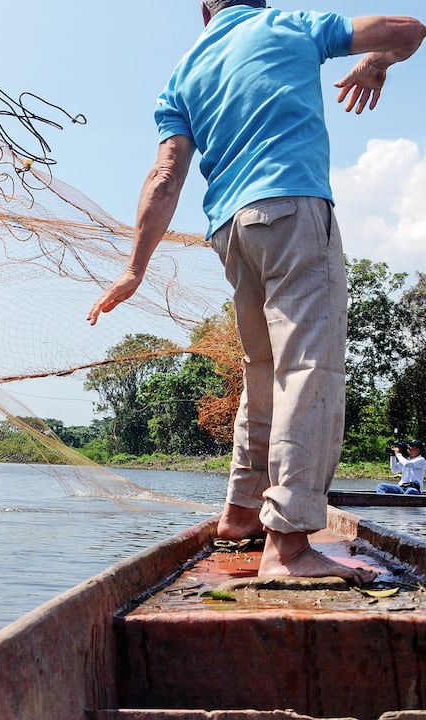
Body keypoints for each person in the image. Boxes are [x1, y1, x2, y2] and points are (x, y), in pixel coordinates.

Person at [87, 0, 425, 583]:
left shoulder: (184, 73)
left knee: (262, 371)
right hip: (291, 207)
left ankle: (241, 514)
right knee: (308, 367)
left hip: (229, 232)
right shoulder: (286, 26)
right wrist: (376, 65)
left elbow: (165, 175)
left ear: (204, 10)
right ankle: (289, 545)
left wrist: (134, 269)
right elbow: (410, 29)